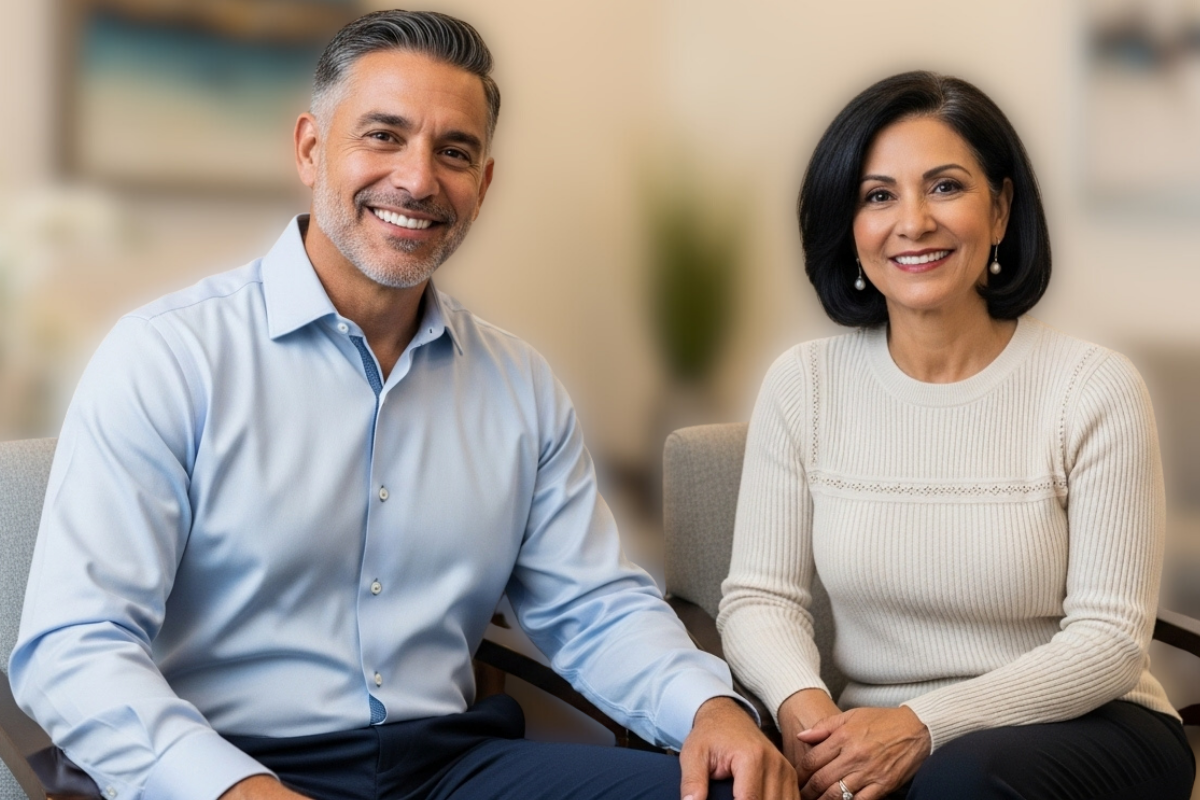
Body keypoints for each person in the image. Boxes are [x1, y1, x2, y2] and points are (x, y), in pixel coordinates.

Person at [9, 10, 797, 800]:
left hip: (449, 767)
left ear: (483, 185)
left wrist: (710, 708)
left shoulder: (519, 386)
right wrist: (234, 789)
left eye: (454, 152)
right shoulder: (167, 357)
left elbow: (592, 604)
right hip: (231, 765)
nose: (418, 180)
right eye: (384, 136)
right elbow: (75, 646)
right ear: (311, 149)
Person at [717, 71, 1196, 800]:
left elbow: (1109, 642)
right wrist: (811, 722)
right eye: (878, 196)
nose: (913, 222)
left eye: (945, 187)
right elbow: (759, 599)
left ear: (1000, 210)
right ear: (849, 225)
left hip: (1088, 724)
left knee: (961, 780)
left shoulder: (1093, 387)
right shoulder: (803, 384)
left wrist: (923, 724)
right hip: (870, 730)